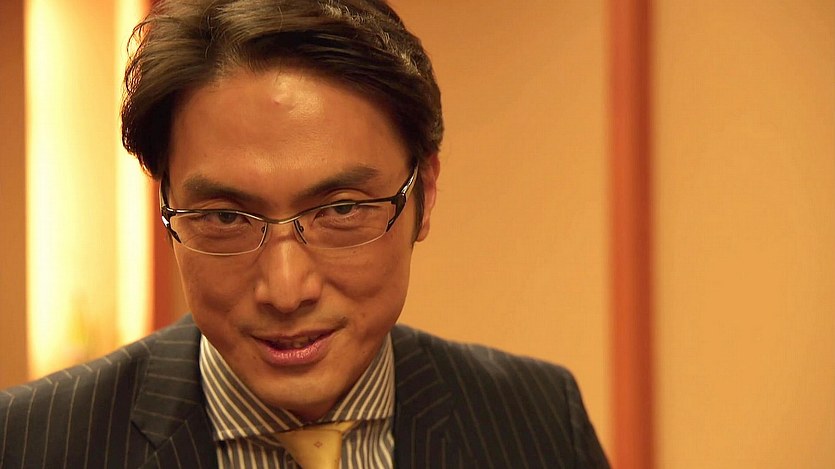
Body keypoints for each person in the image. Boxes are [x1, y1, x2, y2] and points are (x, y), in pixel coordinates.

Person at [0, 0, 609, 467]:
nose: (286, 290)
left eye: (340, 210)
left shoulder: (536, 420)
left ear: (424, 193)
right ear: (166, 206)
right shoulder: (29, 442)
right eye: (226, 218)